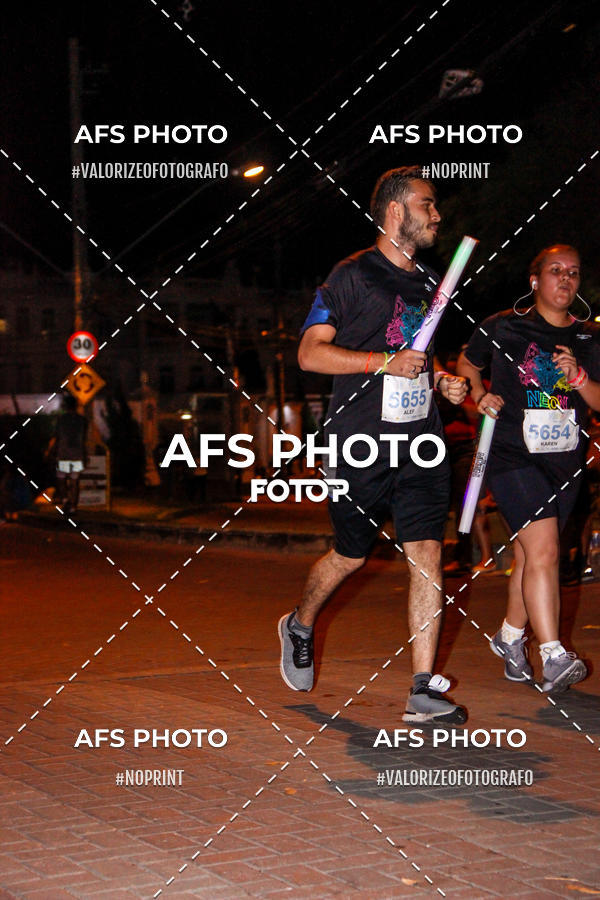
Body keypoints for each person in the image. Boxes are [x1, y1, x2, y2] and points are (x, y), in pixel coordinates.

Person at [278, 166, 469, 724]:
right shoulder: (350, 276)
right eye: (427, 205)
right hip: (359, 441)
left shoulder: (432, 283)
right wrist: (383, 363)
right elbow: (310, 354)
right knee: (351, 554)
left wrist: (442, 381)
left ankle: (422, 689)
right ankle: (300, 623)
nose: (437, 215)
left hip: (420, 441)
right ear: (395, 212)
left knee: (427, 553)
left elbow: (420, 358)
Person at [458, 244, 600, 693]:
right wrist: (479, 395)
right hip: (512, 456)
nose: (566, 279)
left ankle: (510, 636)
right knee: (544, 552)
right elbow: (467, 367)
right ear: (535, 280)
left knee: (528, 555)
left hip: (565, 460)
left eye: (573, 273)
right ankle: (553, 654)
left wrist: (579, 379)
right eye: (556, 271)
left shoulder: (589, 337)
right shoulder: (503, 326)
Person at [53, 393, 88, 514]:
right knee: (74, 481)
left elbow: (57, 437)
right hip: (77, 455)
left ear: (66, 406)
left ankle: (65, 499)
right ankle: (73, 505)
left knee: (61, 479)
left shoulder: (61, 420)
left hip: (63, 454)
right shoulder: (82, 420)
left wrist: (53, 452)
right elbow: (83, 439)